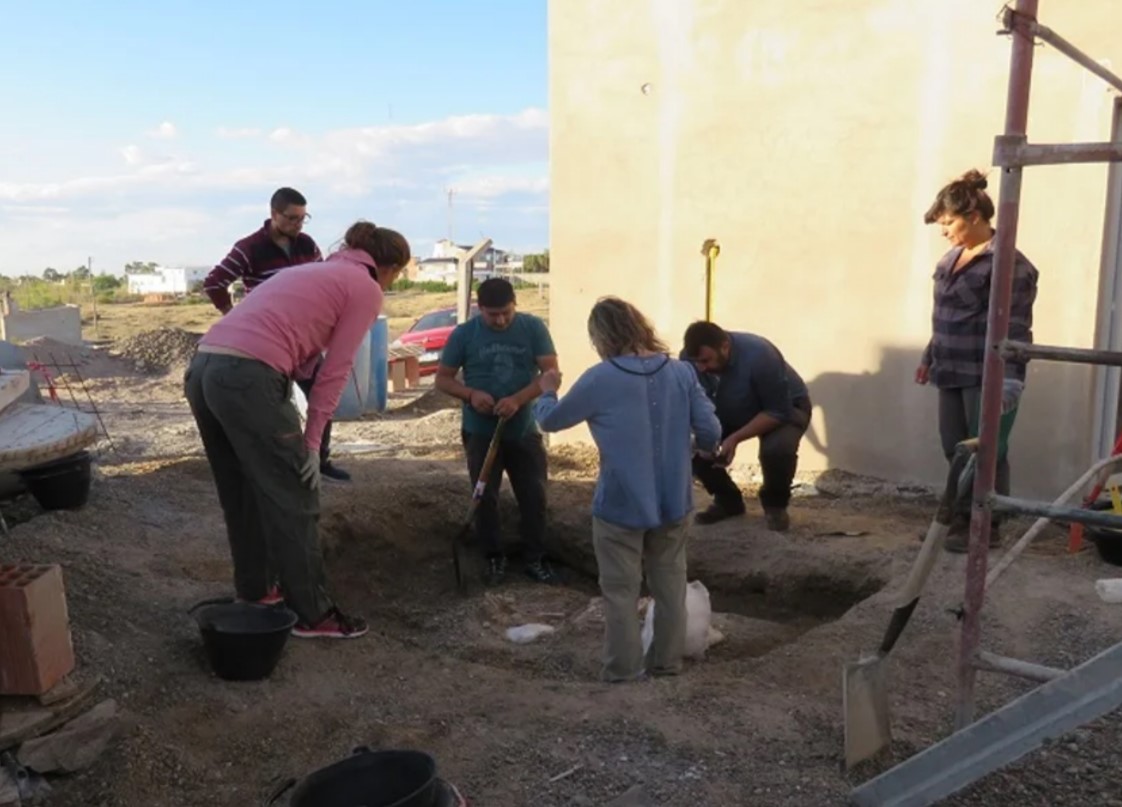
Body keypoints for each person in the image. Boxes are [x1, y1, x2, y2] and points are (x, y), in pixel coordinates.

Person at [184, 221, 410, 638]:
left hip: (203, 368)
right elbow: (336, 371)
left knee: (241, 491)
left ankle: (256, 592)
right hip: (248, 376)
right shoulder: (365, 288)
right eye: (397, 275)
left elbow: (303, 350)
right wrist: (312, 445)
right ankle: (314, 615)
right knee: (295, 493)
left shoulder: (311, 271)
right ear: (389, 266)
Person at [533, 297, 720, 682]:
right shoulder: (682, 373)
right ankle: (667, 664)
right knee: (670, 587)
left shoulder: (600, 378)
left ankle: (623, 671)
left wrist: (546, 389)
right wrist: (700, 446)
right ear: (640, 326)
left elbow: (550, 421)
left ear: (600, 337)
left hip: (620, 504)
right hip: (674, 501)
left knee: (621, 593)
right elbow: (711, 432)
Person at [917, 169, 1039, 553]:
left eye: (948, 222)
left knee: (986, 450)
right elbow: (944, 314)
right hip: (949, 368)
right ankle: (957, 519)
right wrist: (929, 354)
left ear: (974, 218)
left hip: (985, 373)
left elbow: (1016, 329)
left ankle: (986, 527)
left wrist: (1010, 382)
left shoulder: (1009, 265)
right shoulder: (951, 258)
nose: (944, 231)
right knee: (953, 446)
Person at [203, 187, 351, 484]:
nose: (298, 224)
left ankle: (319, 458)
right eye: (292, 218)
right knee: (269, 406)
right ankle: (266, 466)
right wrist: (232, 316)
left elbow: (321, 282)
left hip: (304, 340)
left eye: (303, 218)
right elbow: (214, 282)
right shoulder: (249, 248)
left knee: (323, 395)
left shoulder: (307, 245)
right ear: (274, 214)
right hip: (268, 343)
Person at [435, 278, 560, 586]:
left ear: (515, 303)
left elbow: (551, 374)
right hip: (480, 432)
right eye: (493, 315)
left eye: (506, 312)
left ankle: (535, 557)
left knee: (533, 495)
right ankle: (493, 557)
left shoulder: (533, 328)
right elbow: (443, 380)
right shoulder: (464, 334)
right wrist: (471, 395)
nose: (500, 320)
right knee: (484, 496)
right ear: (481, 310)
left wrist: (518, 400)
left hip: (524, 430)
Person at [680, 321, 811, 532]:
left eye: (706, 360)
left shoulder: (761, 355)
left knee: (777, 450)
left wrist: (734, 438)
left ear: (724, 347)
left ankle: (775, 505)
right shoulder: (688, 360)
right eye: (696, 362)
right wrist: (704, 438)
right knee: (691, 444)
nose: (701, 368)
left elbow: (777, 411)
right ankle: (727, 501)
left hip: (785, 409)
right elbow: (694, 405)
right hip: (729, 407)